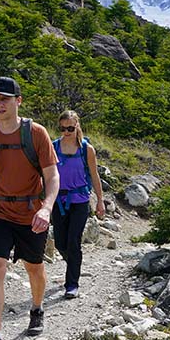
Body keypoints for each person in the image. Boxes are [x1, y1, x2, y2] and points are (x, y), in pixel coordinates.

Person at [0, 77, 59, 340]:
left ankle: (36, 308)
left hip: (30, 213)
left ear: (18, 101)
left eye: (4, 99)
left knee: (34, 266)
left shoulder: (36, 134)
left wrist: (46, 208)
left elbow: (52, 176)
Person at [50, 110, 105, 299]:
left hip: (80, 201)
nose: (66, 132)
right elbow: (46, 174)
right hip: (58, 200)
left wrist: (100, 200)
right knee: (59, 243)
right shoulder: (53, 147)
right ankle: (72, 263)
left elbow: (95, 175)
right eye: (63, 128)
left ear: (77, 126)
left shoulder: (86, 149)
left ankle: (72, 284)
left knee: (73, 242)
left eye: (70, 128)